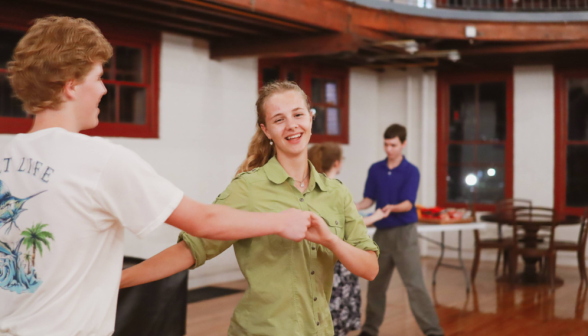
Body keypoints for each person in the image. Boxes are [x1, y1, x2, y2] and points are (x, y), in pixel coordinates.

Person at [0, 17, 312, 336]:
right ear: (71, 85)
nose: (105, 89)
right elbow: (203, 221)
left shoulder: (6, 157)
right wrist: (281, 221)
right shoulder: (99, 160)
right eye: (99, 77)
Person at [120, 81, 380, 336]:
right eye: (279, 120)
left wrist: (330, 240)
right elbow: (191, 249)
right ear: (266, 131)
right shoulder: (247, 189)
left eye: (298, 114)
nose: (291, 125)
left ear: (311, 119)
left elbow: (370, 268)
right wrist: (118, 281)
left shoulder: (336, 193)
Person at [357, 124, 444, 336]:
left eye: (393, 145)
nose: (389, 149)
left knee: (415, 286)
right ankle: (369, 330)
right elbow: (369, 200)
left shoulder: (411, 171)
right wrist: (350, 207)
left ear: (403, 144)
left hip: (405, 235)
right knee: (376, 286)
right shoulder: (375, 169)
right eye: (386, 144)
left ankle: (433, 331)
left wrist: (392, 207)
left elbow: (408, 203)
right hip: (381, 237)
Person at [308, 142, 390, 336]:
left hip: (324, 261)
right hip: (339, 259)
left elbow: (345, 214)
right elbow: (345, 226)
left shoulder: (313, 190)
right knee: (334, 315)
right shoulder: (333, 190)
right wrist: (375, 217)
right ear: (336, 163)